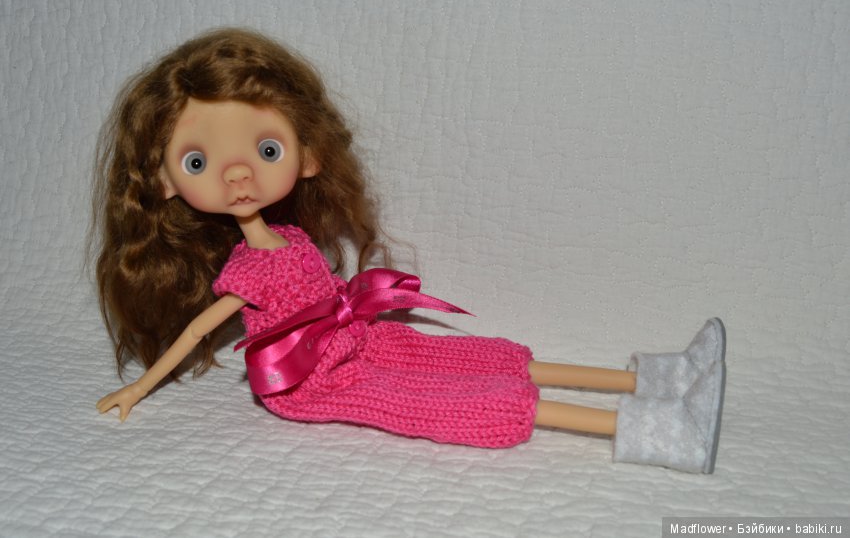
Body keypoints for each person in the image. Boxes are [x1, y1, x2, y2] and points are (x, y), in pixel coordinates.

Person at [94, 28, 726, 473]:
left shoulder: (291, 238)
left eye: (266, 150)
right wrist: (140, 388)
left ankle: (658, 378)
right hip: (309, 381)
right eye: (199, 161)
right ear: (166, 181)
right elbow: (197, 331)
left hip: (353, 342)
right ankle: (661, 432)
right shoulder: (246, 271)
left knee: (479, 357)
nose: (237, 174)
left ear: (307, 156)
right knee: (450, 398)